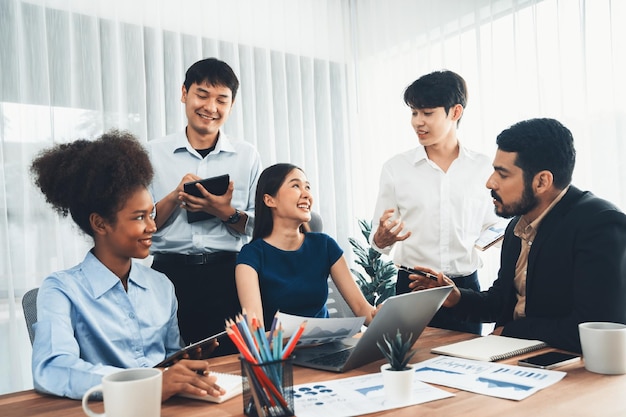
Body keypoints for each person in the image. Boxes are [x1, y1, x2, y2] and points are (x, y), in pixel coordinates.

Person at [30, 131, 224, 401]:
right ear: (100, 224)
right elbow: (51, 369)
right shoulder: (61, 289)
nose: (153, 227)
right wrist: (147, 385)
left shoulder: (161, 285)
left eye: (151, 214)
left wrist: (180, 362)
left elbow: (166, 360)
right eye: (139, 217)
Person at [408, 118, 626, 353]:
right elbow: (505, 300)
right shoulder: (517, 226)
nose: (490, 182)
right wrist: (457, 297)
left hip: (571, 366)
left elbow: (598, 326)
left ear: (542, 181)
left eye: (502, 174)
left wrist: (512, 333)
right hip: (520, 356)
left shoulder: (599, 223)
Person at [370, 70, 500, 334]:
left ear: (455, 112)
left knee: (468, 366)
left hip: (464, 289)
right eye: (414, 113)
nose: (418, 122)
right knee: (410, 367)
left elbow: (493, 225)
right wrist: (382, 239)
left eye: (427, 113)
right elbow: (378, 239)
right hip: (413, 287)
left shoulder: (484, 167)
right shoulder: (396, 168)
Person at [148, 58, 262, 355]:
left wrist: (223, 211)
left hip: (227, 276)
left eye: (221, 99)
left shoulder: (246, 155)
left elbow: (260, 226)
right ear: (184, 93)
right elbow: (142, 225)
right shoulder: (152, 154)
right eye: (202, 95)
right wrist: (175, 196)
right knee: (167, 362)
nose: (211, 107)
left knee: (232, 361)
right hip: (167, 275)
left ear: (231, 105)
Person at [235, 163, 377, 328]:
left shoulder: (324, 245)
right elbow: (255, 331)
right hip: (279, 350)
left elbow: (361, 308)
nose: (307, 195)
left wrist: (384, 317)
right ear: (269, 200)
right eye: (296, 186)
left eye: (307, 187)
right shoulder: (252, 255)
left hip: (326, 345)